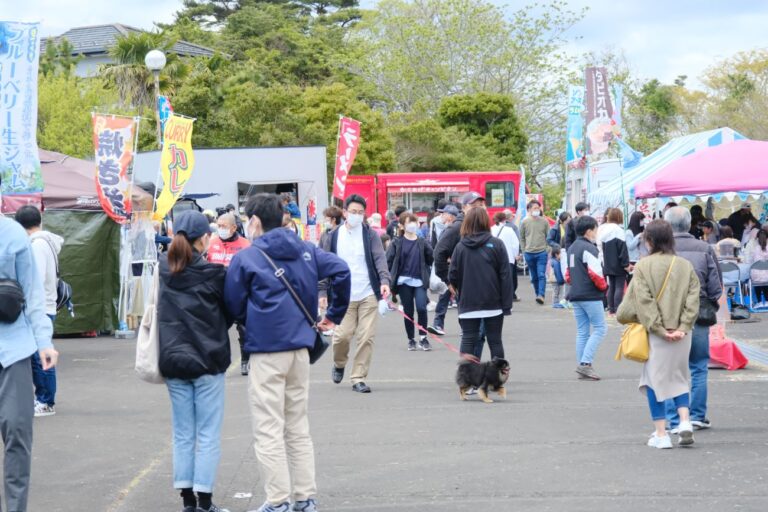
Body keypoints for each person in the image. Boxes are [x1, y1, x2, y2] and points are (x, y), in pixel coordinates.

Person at [225, 193, 350, 512]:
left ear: (254, 221)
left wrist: (254, 317)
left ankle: (278, 500)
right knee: (296, 424)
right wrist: (333, 314)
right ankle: (304, 498)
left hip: (266, 350)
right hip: (301, 349)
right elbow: (342, 271)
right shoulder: (307, 250)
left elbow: (234, 304)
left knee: (268, 427)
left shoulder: (247, 258)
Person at [156, 211, 231, 512]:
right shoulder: (215, 274)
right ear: (203, 239)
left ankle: (188, 501)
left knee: (183, 432)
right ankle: (206, 501)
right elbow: (230, 313)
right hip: (207, 360)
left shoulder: (163, 269)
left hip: (173, 360)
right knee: (208, 433)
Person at [617, 220, 701, 449]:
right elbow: (694, 299)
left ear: (649, 240)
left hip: (656, 335)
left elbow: (644, 302)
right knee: (680, 377)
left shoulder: (643, 266)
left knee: (654, 382)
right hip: (683, 335)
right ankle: (685, 421)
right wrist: (683, 327)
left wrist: (660, 329)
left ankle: (661, 434)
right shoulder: (685, 265)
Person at [0, 215, 58, 512]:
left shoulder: (13, 234)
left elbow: (34, 293)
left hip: (13, 349)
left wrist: (44, 342)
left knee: (17, 433)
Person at [320, 194, 391, 394]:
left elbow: (380, 260)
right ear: (344, 213)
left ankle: (358, 377)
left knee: (366, 337)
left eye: (360, 213)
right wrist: (322, 291)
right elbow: (323, 266)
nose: (357, 216)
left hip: (368, 293)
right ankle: (339, 363)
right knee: (341, 337)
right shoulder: (332, 236)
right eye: (353, 212)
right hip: (343, 295)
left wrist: (384, 282)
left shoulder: (370, 235)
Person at [664, 206, 722, 432]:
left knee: (670, 367)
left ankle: (674, 418)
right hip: (698, 310)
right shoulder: (704, 248)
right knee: (698, 366)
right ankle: (697, 415)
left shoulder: (662, 251)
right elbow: (716, 286)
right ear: (690, 225)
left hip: (669, 315)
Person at [14, 205, 63, 417]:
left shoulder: (36, 246)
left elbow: (35, 279)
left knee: (40, 356)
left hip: (39, 307)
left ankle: (45, 401)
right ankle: (44, 399)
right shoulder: (48, 241)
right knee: (40, 354)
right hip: (46, 305)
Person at [448, 207, 513, 365]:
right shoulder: (496, 244)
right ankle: (497, 380)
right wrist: (506, 304)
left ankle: (467, 382)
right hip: (493, 301)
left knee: (468, 339)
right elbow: (506, 276)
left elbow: (452, 275)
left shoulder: (461, 247)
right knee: (495, 341)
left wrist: (457, 290)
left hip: (468, 301)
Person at [206, 212, 252, 375]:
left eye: (223, 226)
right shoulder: (211, 242)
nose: (220, 229)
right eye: (218, 226)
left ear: (234, 227)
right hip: (216, 294)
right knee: (216, 330)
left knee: (244, 329)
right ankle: (217, 361)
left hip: (239, 294)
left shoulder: (245, 245)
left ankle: (246, 360)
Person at [565, 216, 608, 380]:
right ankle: (585, 364)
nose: (596, 233)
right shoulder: (589, 248)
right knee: (600, 328)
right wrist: (604, 288)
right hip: (590, 294)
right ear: (589, 230)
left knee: (583, 331)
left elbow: (568, 275)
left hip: (575, 293)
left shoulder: (572, 248)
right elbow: (596, 273)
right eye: (596, 229)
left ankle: (582, 363)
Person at [387, 212, 434, 351]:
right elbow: (388, 260)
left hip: (419, 280)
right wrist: (386, 279)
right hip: (403, 282)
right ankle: (411, 339)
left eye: (414, 222)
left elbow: (430, 257)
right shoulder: (397, 242)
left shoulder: (422, 241)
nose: (413, 225)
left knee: (421, 307)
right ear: (402, 225)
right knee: (408, 311)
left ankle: (423, 338)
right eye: (409, 222)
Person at [427, 204, 459, 336]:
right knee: (445, 294)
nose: (441, 216)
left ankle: (465, 327)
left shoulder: (454, 229)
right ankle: (438, 324)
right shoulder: (439, 226)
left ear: (450, 216)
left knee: (460, 296)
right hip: (448, 267)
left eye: (443, 214)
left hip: (456, 266)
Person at [599, 208, 632, 315]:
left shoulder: (604, 229)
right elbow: (623, 250)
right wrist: (626, 264)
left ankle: (611, 308)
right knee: (619, 287)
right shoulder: (618, 230)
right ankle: (618, 309)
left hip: (607, 263)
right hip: (618, 264)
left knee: (612, 286)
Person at [520, 199, 550, 304]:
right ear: (529, 209)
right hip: (529, 253)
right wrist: (524, 251)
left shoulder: (544, 221)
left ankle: (541, 295)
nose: (537, 210)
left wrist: (547, 249)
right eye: (535, 208)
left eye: (538, 208)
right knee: (534, 277)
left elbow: (548, 237)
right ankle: (538, 294)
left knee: (541, 274)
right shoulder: (524, 222)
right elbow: (522, 238)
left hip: (542, 252)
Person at [491, 211, 520, 302]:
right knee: (508, 280)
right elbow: (515, 244)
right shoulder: (509, 230)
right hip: (508, 259)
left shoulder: (491, 229)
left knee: (496, 279)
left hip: (494, 259)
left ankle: (497, 297)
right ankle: (508, 298)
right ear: (504, 219)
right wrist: (516, 255)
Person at [504, 209, 522, 301]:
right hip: (511, 256)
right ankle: (512, 294)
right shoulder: (513, 227)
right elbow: (517, 242)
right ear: (510, 217)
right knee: (512, 276)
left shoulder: (498, 227)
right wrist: (518, 253)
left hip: (500, 256)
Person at [746, 229, 768, 306]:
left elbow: (750, 261)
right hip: (767, 277)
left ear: (757, 238)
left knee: (756, 277)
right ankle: (767, 300)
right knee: (765, 278)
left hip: (756, 278)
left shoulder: (755, 249)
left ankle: (758, 301)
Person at [549, 244, 566, 308]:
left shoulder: (555, 261)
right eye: (560, 254)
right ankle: (555, 303)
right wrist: (561, 280)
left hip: (555, 279)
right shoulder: (555, 262)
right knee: (556, 291)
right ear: (556, 254)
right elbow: (558, 272)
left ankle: (557, 302)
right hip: (555, 279)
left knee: (557, 291)